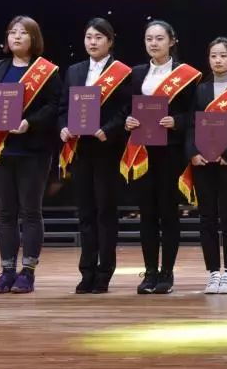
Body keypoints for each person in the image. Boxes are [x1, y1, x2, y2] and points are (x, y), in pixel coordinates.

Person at [0, 15, 62, 294]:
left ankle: (28, 272)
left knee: (31, 212)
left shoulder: (46, 71)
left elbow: (54, 107)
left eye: (23, 32)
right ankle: (7, 271)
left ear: (34, 38)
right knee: (6, 213)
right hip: (1, 150)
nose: (16, 37)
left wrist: (29, 123)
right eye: (12, 32)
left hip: (33, 151)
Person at [123, 20, 201, 294]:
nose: (153, 43)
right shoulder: (136, 74)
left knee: (168, 213)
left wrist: (176, 121)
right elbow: (126, 108)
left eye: (159, 38)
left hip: (171, 151)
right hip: (142, 152)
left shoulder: (186, 75)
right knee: (147, 214)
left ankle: (167, 273)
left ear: (172, 41)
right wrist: (128, 120)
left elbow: (195, 114)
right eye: (149, 39)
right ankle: (150, 272)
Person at [58, 17, 132, 293]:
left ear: (110, 42)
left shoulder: (122, 72)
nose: (93, 42)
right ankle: (86, 271)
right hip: (80, 149)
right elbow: (63, 107)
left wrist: (108, 130)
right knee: (85, 212)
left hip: (106, 149)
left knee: (105, 212)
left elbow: (127, 109)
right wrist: (63, 127)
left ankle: (104, 272)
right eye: (89, 37)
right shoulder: (74, 71)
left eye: (99, 37)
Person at [185, 37, 227, 294]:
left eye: (223, 55)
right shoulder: (200, 90)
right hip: (203, 162)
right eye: (213, 55)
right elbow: (191, 125)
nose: (218, 60)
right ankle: (213, 272)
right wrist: (193, 152)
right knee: (206, 217)